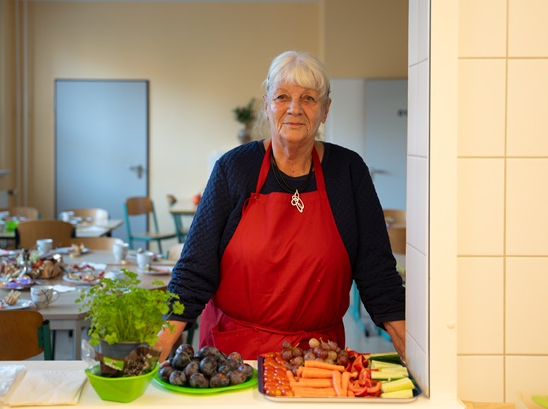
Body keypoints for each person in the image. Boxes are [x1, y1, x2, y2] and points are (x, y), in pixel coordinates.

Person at [156, 50, 405, 361]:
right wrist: (160, 344)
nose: (294, 109)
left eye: (309, 99)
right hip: (233, 358)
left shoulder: (348, 171)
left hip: (319, 359)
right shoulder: (233, 169)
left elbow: (376, 271)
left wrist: (414, 352)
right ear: (266, 104)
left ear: (325, 109)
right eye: (283, 97)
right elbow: (196, 267)